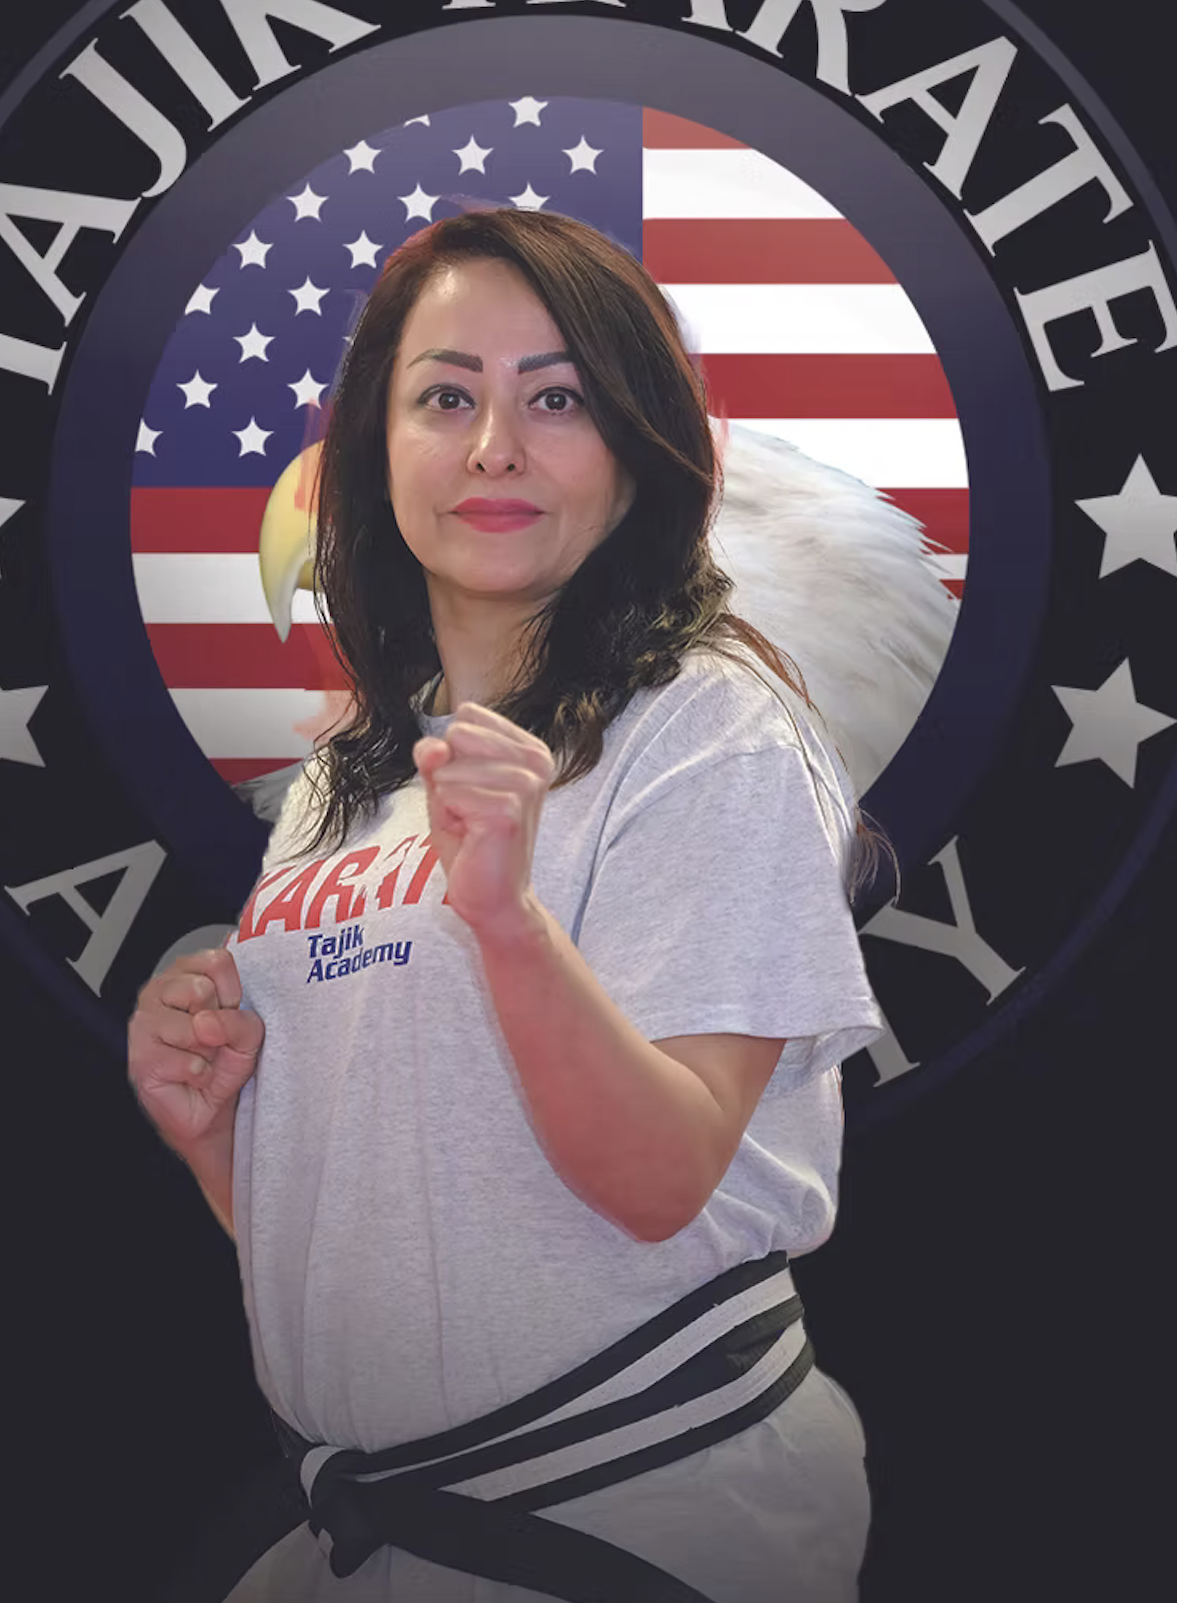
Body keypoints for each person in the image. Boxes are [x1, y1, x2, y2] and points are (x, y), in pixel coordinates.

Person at [129, 207, 886, 1603]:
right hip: (377, 1526)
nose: (493, 447)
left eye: (556, 399)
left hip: (642, 1515)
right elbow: (428, 1232)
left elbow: (658, 1181)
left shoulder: (707, 731)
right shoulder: (342, 784)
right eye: (444, 398)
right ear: (378, 448)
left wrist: (510, 926)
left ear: (636, 452)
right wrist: (220, 1134)